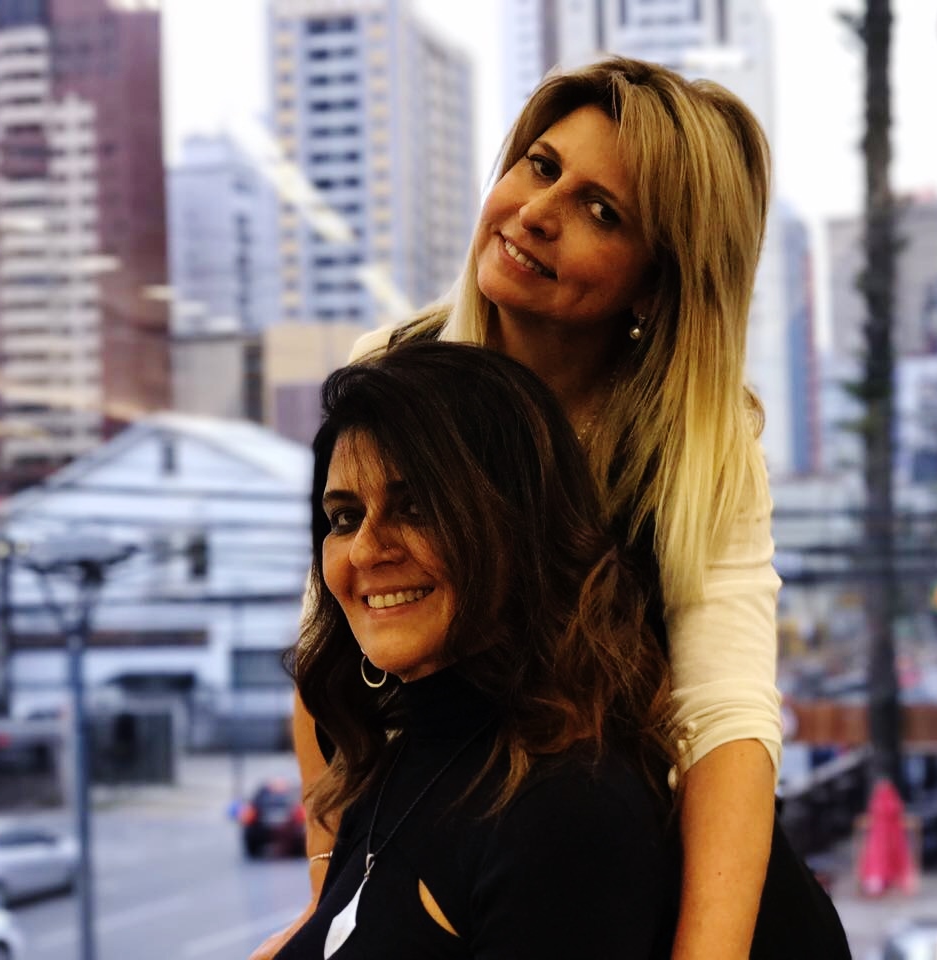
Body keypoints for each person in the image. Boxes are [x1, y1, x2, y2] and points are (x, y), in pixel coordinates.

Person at [256, 55, 850, 959]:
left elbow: (725, 718)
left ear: (655, 280)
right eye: (540, 166)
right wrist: (332, 904)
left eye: (600, 211)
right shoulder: (399, 368)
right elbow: (330, 652)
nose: (538, 212)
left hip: (636, 890)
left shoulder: (692, 439)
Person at [273, 341, 678, 959]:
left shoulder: (565, 810)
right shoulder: (397, 758)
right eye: (345, 518)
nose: (366, 550)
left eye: (416, 508)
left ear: (519, 526)